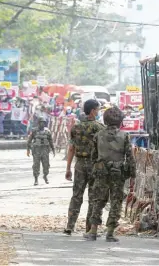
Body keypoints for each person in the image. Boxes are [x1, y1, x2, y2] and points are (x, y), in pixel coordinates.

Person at [85, 106, 136, 242]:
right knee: (116, 202)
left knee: (98, 201)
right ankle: (110, 232)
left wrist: (95, 169)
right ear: (120, 120)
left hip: (101, 171)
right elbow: (129, 157)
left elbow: (93, 156)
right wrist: (132, 174)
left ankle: (93, 230)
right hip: (117, 173)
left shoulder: (98, 135)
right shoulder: (124, 136)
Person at [63, 99, 105, 236]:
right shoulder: (99, 128)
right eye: (98, 110)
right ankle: (89, 228)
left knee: (76, 195)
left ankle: (70, 225)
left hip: (80, 164)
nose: (98, 112)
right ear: (93, 111)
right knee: (93, 197)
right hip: (94, 165)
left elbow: (71, 149)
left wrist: (68, 168)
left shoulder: (76, 128)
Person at [27, 117, 55, 186]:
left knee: (46, 165)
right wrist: (28, 149)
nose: (42, 124)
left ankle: (45, 176)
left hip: (45, 150)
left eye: (43, 122)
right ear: (38, 123)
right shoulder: (34, 131)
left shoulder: (47, 131)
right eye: (41, 122)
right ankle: (36, 179)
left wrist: (53, 149)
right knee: (36, 165)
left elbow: (51, 141)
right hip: (36, 150)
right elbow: (29, 140)